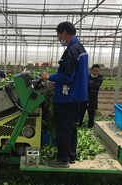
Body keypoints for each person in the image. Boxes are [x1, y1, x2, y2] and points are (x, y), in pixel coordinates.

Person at [40, 21, 88, 168]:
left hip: (66, 97)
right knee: (72, 127)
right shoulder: (80, 48)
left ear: (64, 33)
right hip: (77, 96)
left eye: (58, 35)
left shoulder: (71, 51)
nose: (59, 39)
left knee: (63, 129)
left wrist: (49, 77)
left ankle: (62, 160)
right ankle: (71, 156)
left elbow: (68, 77)